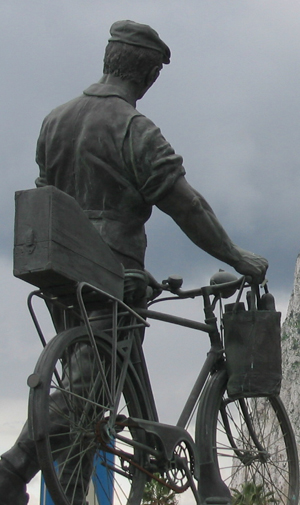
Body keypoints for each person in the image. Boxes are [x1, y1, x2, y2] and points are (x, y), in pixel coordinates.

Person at [0, 20, 268, 505]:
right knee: (88, 390)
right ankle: (11, 468)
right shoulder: (134, 130)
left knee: (94, 400)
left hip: (65, 270)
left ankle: (72, 496)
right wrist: (235, 255)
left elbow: (47, 194)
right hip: (113, 275)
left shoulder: (55, 120)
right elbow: (187, 206)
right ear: (146, 74)